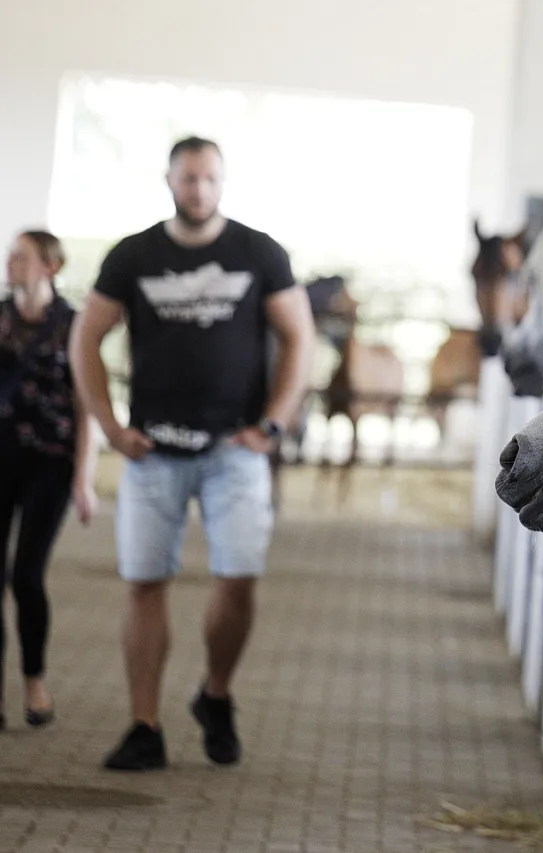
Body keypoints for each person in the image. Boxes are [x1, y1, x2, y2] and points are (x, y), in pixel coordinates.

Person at [69, 136, 315, 771]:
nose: (198, 189)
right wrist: (110, 427)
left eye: (208, 179)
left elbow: (299, 337)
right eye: (188, 179)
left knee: (238, 578)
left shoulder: (258, 253)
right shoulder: (134, 256)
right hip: (153, 452)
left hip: (235, 450)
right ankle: (144, 725)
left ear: (222, 182)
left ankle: (216, 694)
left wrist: (272, 427)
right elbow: (86, 338)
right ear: (169, 181)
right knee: (145, 582)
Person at [0, 229, 99, 732]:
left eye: (22, 257)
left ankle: (34, 680)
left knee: (26, 575)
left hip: (51, 464)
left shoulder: (73, 325)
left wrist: (84, 478)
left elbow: (88, 408)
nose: (11, 263)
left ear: (50, 267)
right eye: (10, 256)